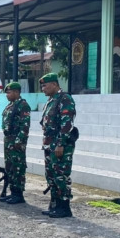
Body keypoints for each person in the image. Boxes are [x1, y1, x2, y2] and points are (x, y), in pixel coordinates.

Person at [40, 72, 77, 218]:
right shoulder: (51, 100)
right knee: (51, 176)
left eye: (45, 85)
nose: (43, 88)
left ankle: (64, 207)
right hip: (49, 144)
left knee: (61, 176)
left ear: (54, 84)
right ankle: (55, 205)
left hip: (60, 145)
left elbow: (66, 123)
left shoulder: (65, 98)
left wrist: (61, 144)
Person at [0, 82, 31, 204]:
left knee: (18, 167)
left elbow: (25, 125)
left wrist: (19, 140)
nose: (7, 95)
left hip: (17, 141)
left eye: (9, 92)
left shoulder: (22, 105)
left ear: (17, 92)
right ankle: (13, 192)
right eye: (6, 92)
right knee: (10, 167)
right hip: (8, 140)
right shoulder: (10, 106)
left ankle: (18, 193)